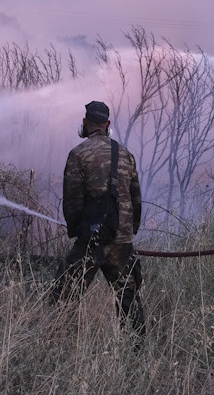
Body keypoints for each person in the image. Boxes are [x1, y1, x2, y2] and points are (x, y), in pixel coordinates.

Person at [50, 100, 145, 336]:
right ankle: (136, 349)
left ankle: (59, 343)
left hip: (91, 240)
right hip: (121, 240)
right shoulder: (125, 154)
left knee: (63, 294)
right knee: (128, 297)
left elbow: (72, 200)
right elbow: (136, 198)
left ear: (85, 123)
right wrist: (129, 232)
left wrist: (77, 231)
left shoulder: (78, 154)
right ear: (108, 124)